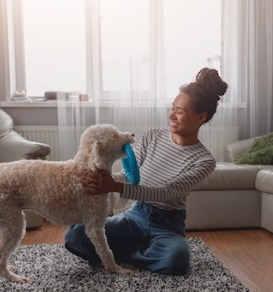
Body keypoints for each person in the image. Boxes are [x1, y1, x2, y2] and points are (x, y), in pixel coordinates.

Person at [64, 68, 228, 275]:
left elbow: (165, 192)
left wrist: (114, 186)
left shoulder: (204, 161)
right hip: (136, 216)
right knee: (75, 235)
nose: (171, 115)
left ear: (200, 117)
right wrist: (104, 181)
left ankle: (122, 252)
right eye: (172, 108)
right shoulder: (153, 136)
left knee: (176, 259)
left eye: (179, 111)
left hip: (167, 226)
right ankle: (136, 251)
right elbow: (129, 178)